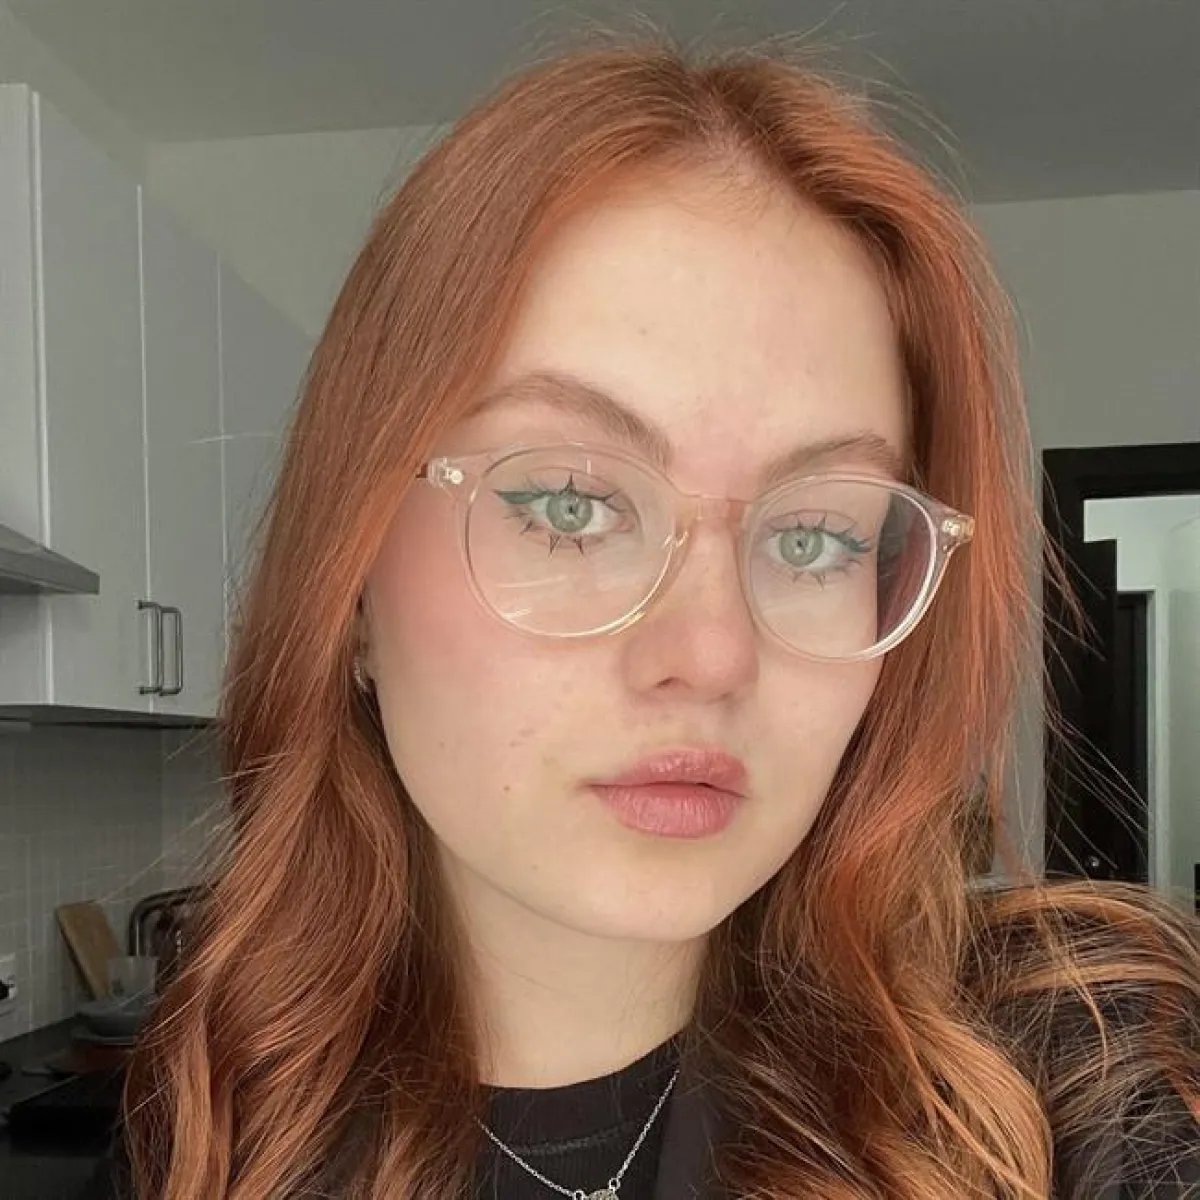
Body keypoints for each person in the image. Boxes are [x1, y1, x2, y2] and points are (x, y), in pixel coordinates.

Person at [83, 39, 1197, 1200]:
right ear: (352, 576)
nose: (711, 655)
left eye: (813, 536)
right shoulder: (213, 1137)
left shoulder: (1078, 1097)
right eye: (571, 505)